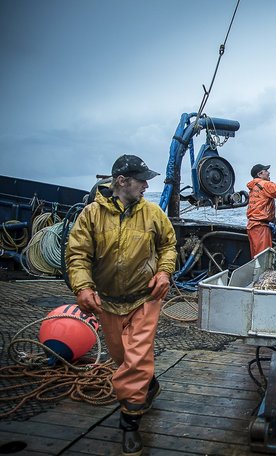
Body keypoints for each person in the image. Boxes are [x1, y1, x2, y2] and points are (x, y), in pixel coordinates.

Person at [65, 154, 177, 456]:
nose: (146, 184)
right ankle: (148, 385)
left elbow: (168, 245)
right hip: (108, 303)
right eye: (141, 179)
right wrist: (83, 287)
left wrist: (164, 272)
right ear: (121, 181)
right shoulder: (90, 215)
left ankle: (129, 424)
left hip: (145, 300)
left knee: (136, 359)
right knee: (123, 358)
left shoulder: (153, 213)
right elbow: (77, 254)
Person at [246, 161, 276, 258]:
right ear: (259, 174)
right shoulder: (264, 184)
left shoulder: (254, 187)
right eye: (266, 171)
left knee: (256, 256)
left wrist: (268, 223)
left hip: (253, 226)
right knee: (263, 258)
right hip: (260, 228)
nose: (268, 172)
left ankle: (257, 273)